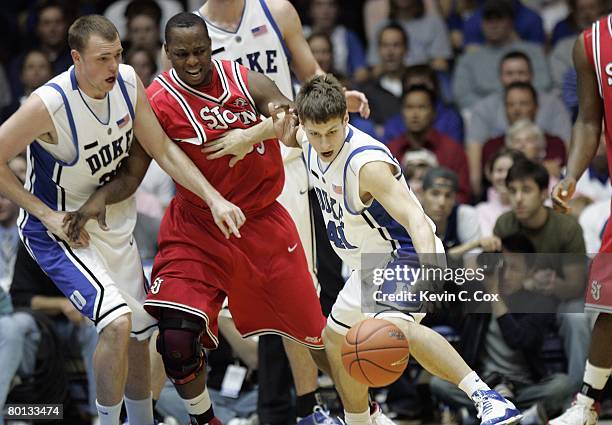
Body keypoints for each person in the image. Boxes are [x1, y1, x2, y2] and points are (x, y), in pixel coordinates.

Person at [66, 13, 331, 425]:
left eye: (200, 51)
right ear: (166, 53)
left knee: (315, 336)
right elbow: (134, 174)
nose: (193, 61)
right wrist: (99, 200)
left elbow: (286, 112)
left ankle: (354, 408)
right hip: (197, 227)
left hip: (261, 221)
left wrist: (252, 133)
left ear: (212, 47)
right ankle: (202, 418)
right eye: (182, 54)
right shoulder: (155, 100)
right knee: (174, 336)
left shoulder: (241, 79)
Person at [0, 14, 244, 425]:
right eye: (103, 59)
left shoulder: (129, 81)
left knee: (141, 334)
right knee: (116, 323)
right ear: (76, 58)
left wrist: (214, 198)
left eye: (118, 54)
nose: (113, 66)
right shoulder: (50, 103)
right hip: (62, 230)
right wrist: (43, 213)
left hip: (113, 225)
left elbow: (162, 150)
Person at [270, 73, 523, 425]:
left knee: (393, 329)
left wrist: (432, 267)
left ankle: (487, 398)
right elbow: (287, 129)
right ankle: (362, 419)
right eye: (315, 133)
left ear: (346, 119)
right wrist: (243, 139)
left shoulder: (366, 165)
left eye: (332, 131)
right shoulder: (307, 138)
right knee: (332, 340)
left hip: (405, 253)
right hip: (368, 266)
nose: (324, 142)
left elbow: (414, 216)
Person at [189, 2, 370, 423]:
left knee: (301, 290)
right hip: (227, 177)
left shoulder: (276, 10)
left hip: (285, 167)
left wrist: (335, 100)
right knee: (235, 305)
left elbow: (308, 70)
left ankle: (311, 407)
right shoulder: (191, 35)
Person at [549, 12, 612, 425]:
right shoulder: (590, 42)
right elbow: (590, 120)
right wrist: (572, 174)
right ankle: (587, 404)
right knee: (609, 302)